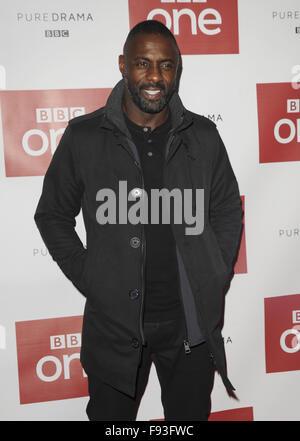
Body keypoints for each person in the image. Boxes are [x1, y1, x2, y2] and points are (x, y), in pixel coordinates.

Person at [34, 20, 243, 421]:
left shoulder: (203, 136)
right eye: (142, 63)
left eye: (166, 66)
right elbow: (52, 215)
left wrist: (213, 270)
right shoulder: (85, 137)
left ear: (177, 70)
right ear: (122, 65)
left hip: (190, 328)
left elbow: (227, 209)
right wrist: (91, 276)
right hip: (115, 328)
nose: (154, 77)